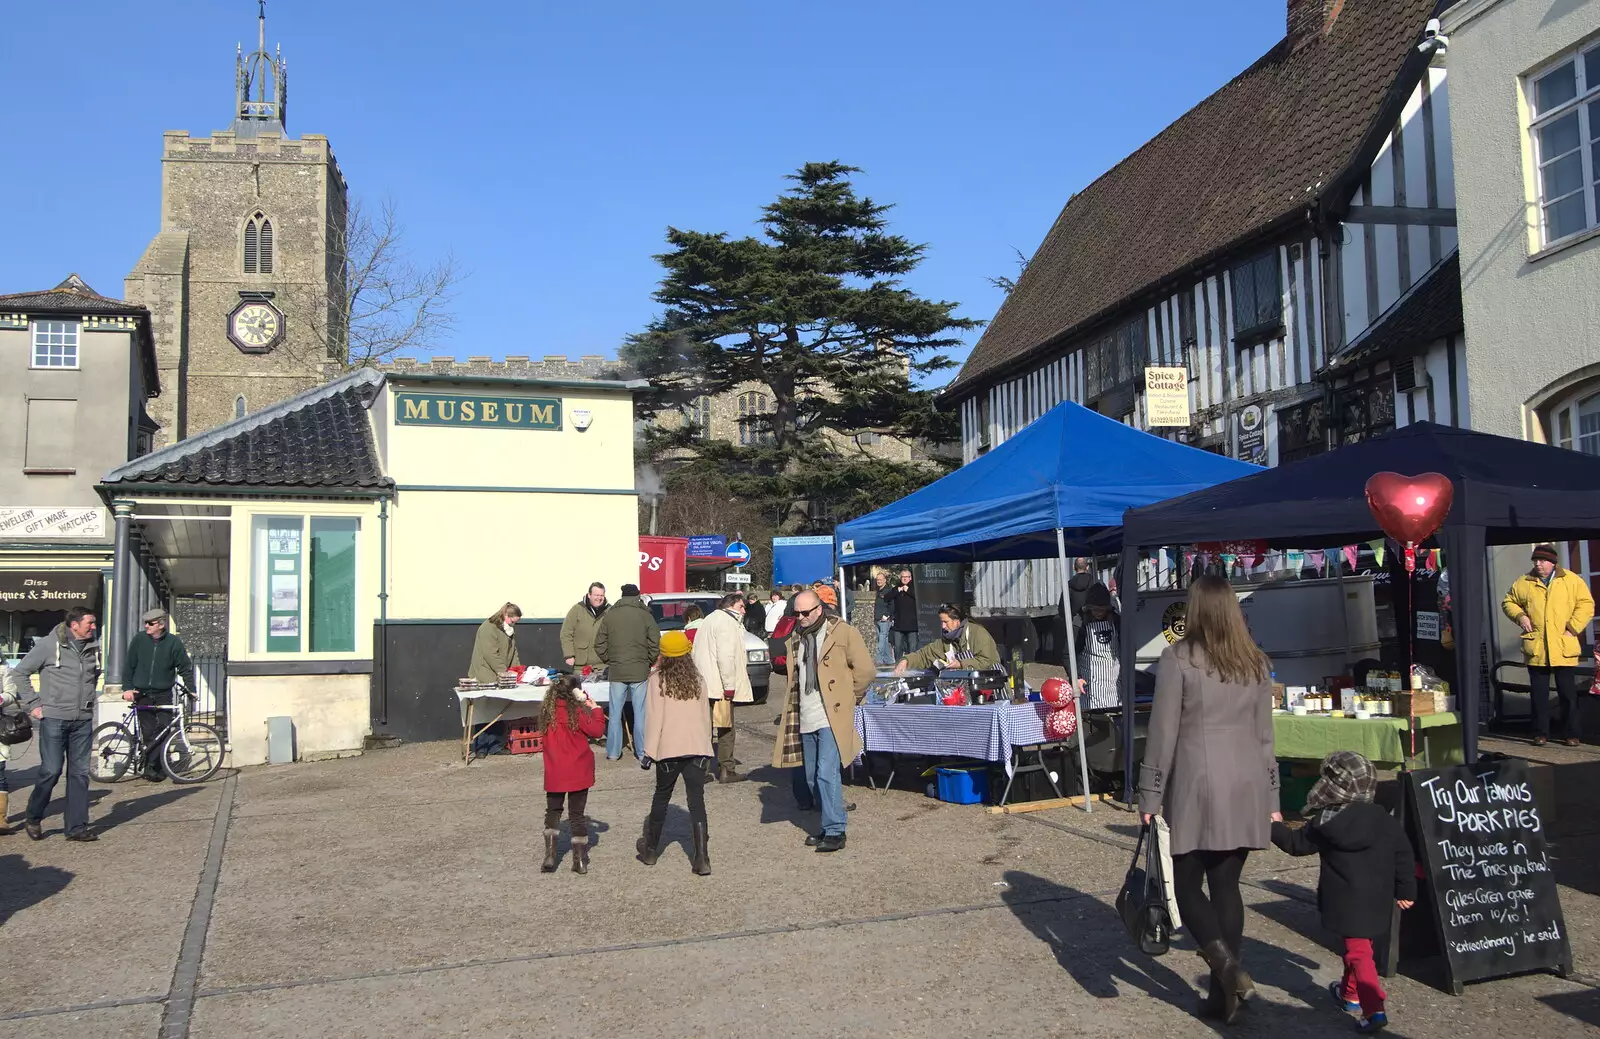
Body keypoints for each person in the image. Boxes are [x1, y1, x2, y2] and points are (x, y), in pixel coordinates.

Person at [1138, 575, 1278, 1024]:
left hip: (1199, 782)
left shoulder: (1177, 659)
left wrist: (1149, 793)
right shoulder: (1255, 662)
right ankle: (1224, 995)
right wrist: (1272, 794)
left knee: (1185, 885)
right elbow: (1265, 738)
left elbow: (1162, 734)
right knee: (1226, 886)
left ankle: (1228, 970)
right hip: (1246, 782)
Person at [1271, 750, 1416, 1034]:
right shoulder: (1384, 819)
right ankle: (1350, 994)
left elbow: (1296, 845)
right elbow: (1403, 854)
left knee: (1358, 952)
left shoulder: (1326, 821)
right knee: (1359, 949)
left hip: (1344, 900)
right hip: (1378, 898)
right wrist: (1406, 888)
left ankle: (1374, 1008)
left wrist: (1274, 827)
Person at [774, 590, 874, 853]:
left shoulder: (842, 632)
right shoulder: (797, 637)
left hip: (831, 715)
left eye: (805, 612)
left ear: (819, 609)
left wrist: (850, 697)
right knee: (810, 777)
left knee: (825, 773)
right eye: (796, 613)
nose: (801, 617)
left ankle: (835, 829)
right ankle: (827, 823)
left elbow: (865, 670)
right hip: (805, 714)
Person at [5, 607, 102, 842]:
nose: (93, 626)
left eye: (94, 623)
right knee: (51, 770)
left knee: (79, 774)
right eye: (89, 622)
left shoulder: (93, 647)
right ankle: (34, 816)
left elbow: (94, 675)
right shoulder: (49, 646)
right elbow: (20, 673)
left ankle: (76, 828)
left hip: (82, 720)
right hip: (55, 719)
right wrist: (35, 704)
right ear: (74, 625)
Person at [638, 631, 714, 875]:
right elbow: (705, 717)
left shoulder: (657, 680)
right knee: (696, 801)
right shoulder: (699, 680)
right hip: (697, 748)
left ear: (664, 654)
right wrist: (707, 746)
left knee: (661, 797)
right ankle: (702, 858)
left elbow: (654, 719)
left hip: (669, 750)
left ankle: (650, 850)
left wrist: (649, 751)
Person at [1503, 544, 1595, 747]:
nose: (1538, 564)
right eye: (1535, 561)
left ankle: (1572, 733)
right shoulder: (1525, 582)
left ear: (1553, 563)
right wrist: (1520, 616)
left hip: (1563, 646)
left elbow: (1586, 604)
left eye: (1542, 561)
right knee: (1539, 694)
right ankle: (1540, 732)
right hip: (1537, 647)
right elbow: (1508, 602)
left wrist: (1572, 627)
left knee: (1567, 694)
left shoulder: (1571, 580)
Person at [539, 675, 607, 874]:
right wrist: (595, 709)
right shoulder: (577, 712)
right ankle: (579, 860)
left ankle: (550, 856)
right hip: (578, 769)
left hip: (555, 770)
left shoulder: (547, 713)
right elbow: (597, 730)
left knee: (553, 811)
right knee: (576, 815)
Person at [122, 608, 196, 782]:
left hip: (163, 693)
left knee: (163, 729)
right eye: (145, 623)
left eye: (150, 623)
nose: (146, 626)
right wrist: (127, 688)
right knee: (148, 732)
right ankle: (152, 767)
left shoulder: (173, 642)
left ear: (161, 624)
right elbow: (129, 666)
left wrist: (191, 689)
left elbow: (184, 667)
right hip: (142, 693)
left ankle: (153, 765)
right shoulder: (139, 640)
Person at [692, 593, 754, 783]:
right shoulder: (727, 623)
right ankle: (727, 769)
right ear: (732, 605)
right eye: (742, 606)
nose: (744, 610)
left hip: (706, 683)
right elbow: (725, 657)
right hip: (719, 685)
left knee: (705, 727)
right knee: (725, 728)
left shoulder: (709, 619)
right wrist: (729, 687)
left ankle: (699, 770)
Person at [595, 583, 660, 763]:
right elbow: (655, 642)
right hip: (640, 670)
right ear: (638, 596)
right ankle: (642, 752)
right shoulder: (645, 615)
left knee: (615, 713)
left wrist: (610, 659)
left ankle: (614, 753)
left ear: (622, 596)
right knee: (640, 713)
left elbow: (599, 644)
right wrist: (649, 660)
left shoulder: (610, 615)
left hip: (617, 671)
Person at [893, 604, 1001, 673]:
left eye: (946, 622)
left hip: (992, 686)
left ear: (957, 621)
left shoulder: (978, 633)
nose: (943, 626)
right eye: (941, 622)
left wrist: (960, 664)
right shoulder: (945, 641)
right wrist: (906, 661)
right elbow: (924, 655)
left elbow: (987, 661)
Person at [1074, 586, 1121, 711]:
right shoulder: (1080, 623)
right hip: (1090, 680)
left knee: (1114, 713)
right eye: (1095, 610)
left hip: (1114, 677)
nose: (1099, 613)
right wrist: (1076, 677)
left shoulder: (1116, 621)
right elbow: (1069, 654)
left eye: (1102, 610)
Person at [560, 583, 609, 670]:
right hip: (581, 665)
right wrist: (569, 655)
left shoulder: (609, 611)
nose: (599, 598)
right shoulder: (577, 610)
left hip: (603, 664)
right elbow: (566, 633)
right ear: (589, 595)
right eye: (596, 595)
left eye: (602, 595)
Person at [469, 603, 522, 685]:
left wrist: (517, 670)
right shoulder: (488, 628)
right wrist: (504, 672)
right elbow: (490, 654)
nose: (513, 624)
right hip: (484, 675)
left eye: (515, 622)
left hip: (500, 675)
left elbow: (513, 651)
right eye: (512, 621)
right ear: (506, 615)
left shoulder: (507, 629)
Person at [888, 568, 919, 660]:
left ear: (910, 578)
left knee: (912, 647)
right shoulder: (897, 588)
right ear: (900, 578)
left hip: (912, 624)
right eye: (903, 577)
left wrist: (908, 591)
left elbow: (920, 598)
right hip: (898, 624)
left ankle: (912, 666)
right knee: (897, 647)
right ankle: (898, 666)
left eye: (907, 577)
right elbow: (887, 597)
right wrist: (898, 591)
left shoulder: (915, 588)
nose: (905, 579)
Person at [873, 570, 894, 667]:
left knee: (881, 641)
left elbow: (892, 605)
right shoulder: (878, 591)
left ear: (885, 580)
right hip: (877, 619)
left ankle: (879, 660)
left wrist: (887, 615)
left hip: (884, 620)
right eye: (877, 580)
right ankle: (889, 660)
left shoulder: (889, 591)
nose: (879, 581)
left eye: (881, 580)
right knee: (884, 640)